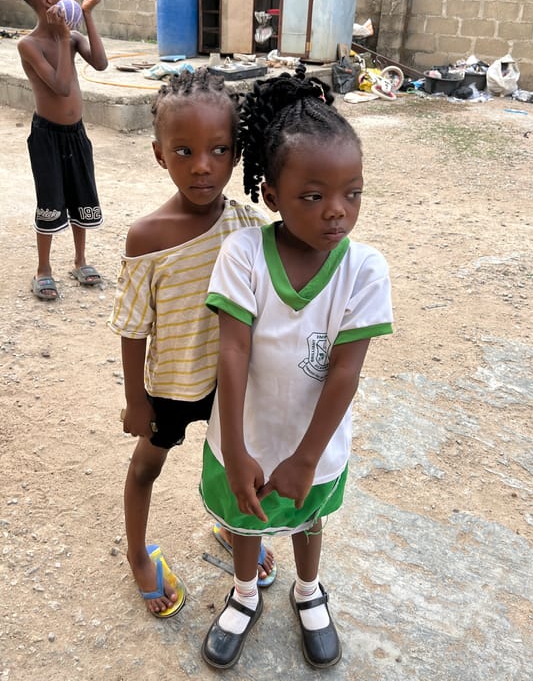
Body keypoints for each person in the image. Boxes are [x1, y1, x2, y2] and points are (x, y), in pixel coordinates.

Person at [200, 67, 393, 669]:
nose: (337, 211)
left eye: (352, 193)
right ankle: (245, 590)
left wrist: (308, 457)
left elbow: (345, 372)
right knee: (244, 514)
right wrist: (234, 447)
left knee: (309, 518)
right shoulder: (243, 254)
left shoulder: (364, 270)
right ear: (272, 195)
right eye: (313, 196)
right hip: (246, 431)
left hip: (319, 442)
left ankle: (308, 591)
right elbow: (232, 350)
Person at [108, 68, 276, 618]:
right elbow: (134, 327)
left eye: (218, 149)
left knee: (238, 463)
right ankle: (137, 553)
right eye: (183, 151)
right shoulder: (147, 236)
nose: (202, 165)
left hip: (234, 387)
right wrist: (137, 399)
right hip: (172, 387)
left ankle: (232, 528)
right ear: (159, 154)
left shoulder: (248, 226)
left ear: (236, 153)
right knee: (146, 468)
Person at [17, 0, 108, 301]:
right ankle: (44, 269)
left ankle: (80, 260)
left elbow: (100, 63)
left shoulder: (73, 37)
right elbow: (61, 87)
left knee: (81, 194)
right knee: (51, 199)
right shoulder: (30, 44)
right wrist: (60, 36)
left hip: (76, 133)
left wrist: (87, 16)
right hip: (47, 136)